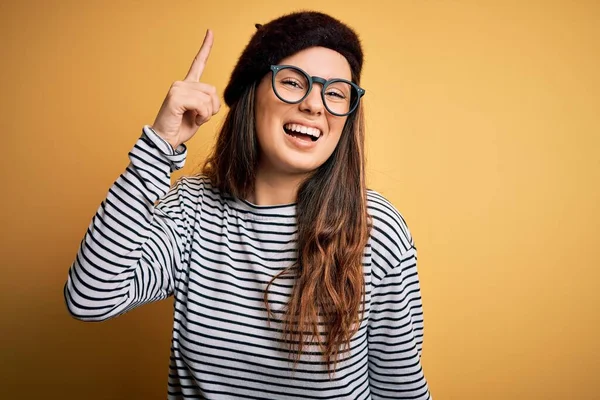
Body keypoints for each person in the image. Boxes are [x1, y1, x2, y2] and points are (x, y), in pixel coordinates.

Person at [64, 11, 432, 400]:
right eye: (292, 82)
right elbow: (91, 298)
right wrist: (160, 145)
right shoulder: (193, 210)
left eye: (336, 92)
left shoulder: (377, 229)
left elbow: (400, 389)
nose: (314, 104)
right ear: (250, 94)